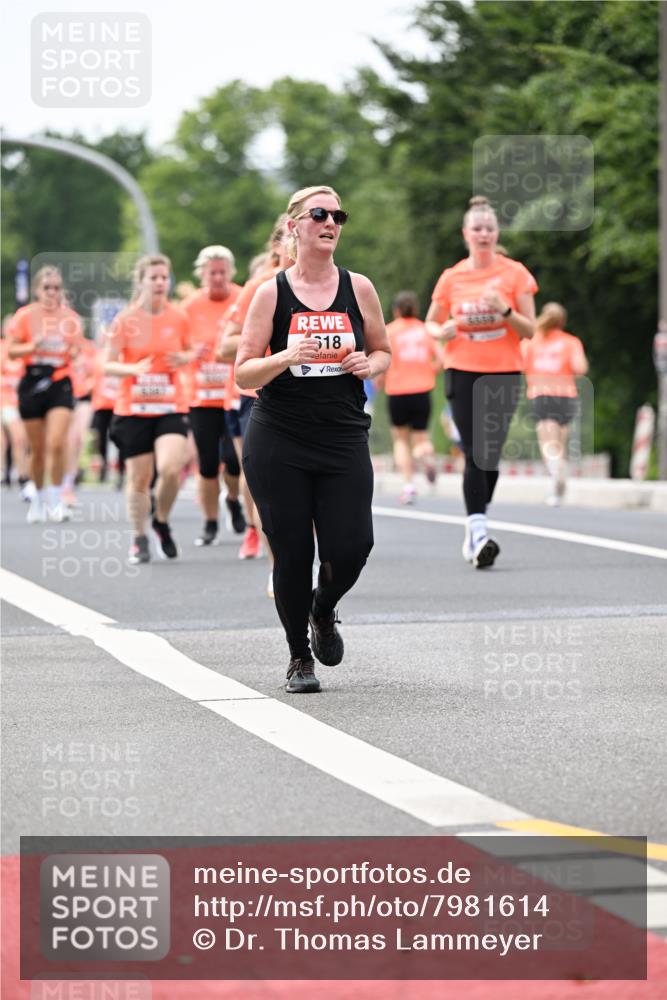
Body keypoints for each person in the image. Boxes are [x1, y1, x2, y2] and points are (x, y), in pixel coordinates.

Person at [235, 185, 391, 693]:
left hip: (342, 436)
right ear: (294, 227)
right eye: (319, 214)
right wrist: (286, 357)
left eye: (337, 215)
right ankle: (299, 657)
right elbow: (244, 373)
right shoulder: (270, 293)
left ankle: (323, 610)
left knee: (352, 546)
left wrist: (371, 364)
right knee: (293, 552)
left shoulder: (359, 287)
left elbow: (383, 352)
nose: (331, 222)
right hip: (279, 437)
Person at [426, 195, 537, 568]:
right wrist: (442, 330)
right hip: (462, 370)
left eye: (490, 228)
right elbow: (431, 323)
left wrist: (504, 310)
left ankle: (476, 522)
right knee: (475, 451)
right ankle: (478, 533)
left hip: (504, 371)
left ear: (497, 233)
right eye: (477, 228)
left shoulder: (515, 273)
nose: (484, 234)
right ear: (466, 234)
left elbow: (530, 329)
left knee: (490, 455)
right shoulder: (452, 277)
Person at [104, 254, 192, 564]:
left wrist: (185, 358)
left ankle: (162, 520)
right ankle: (139, 537)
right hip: (133, 409)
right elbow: (105, 362)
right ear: (140, 282)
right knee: (139, 478)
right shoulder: (125, 320)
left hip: (170, 405)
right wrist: (131, 371)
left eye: (163, 277)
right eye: (153, 277)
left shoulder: (179, 317)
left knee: (170, 469)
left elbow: (191, 350)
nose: (159, 283)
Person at [7, 266, 83, 523]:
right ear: (37, 290)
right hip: (32, 382)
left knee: (57, 443)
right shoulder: (24, 316)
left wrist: (71, 352)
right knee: (37, 449)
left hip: (59, 381)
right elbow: (12, 352)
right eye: (47, 288)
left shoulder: (70, 318)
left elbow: (76, 350)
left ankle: (57, 499)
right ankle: (38, 499)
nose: (52, 292)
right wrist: (33, 345)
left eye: (56, 288)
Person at [182, 245, 245, 545]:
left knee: (235, 460)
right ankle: (210, 523)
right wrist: (187, 353)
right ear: (202, 275)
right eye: (212, 273)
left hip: (236, 393)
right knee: (207, 464)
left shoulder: (244, 298)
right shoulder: (190, 307)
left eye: (222, 272)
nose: (218, 278)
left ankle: (232, 498)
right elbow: (172, 350)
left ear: (230, 272)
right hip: (201, 396)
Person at [521, 302, 588, 505]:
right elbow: (581, 368)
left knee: (547, 442)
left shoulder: (532, 342)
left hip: (542, 395)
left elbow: (521, 365)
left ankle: (554, 474)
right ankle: (559, 478)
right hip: (566, 395)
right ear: (563, 321)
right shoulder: (571, 342)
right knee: (560, 441)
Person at [378, 290, 442, 504]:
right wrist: (429, 372)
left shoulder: (390, 331)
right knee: (421, 436)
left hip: (397, 390)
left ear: (396, 310)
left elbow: (383, 360)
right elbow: (441, 359)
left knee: (401, 439)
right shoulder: (425, 330)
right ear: (415, 309)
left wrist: (380, 382)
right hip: (422, 389)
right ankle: (426, 455)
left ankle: (408, 485)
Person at [62, 335, 97, 505]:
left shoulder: (88, 347)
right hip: (63, 398)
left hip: (83, 399)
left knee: (79, 439)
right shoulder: (58, 348)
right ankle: (62, 481)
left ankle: (72, 478)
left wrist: (90, 384)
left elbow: (96, 372)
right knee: (66, 441)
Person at [1, 317, 30, 493]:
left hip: (23, 401)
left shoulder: (25, 350)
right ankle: (5, 472)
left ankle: (22, 475)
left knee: (21, 440)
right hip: (4, 400)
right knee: (7, 438)